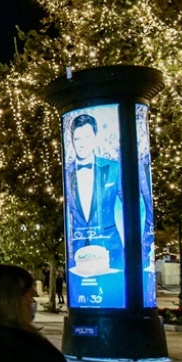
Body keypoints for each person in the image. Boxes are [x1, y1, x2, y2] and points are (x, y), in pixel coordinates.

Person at [65, 113, 124, 268]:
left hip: (110, 248)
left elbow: (134, 206)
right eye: (77, 139)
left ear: (96, 138)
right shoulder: (65, 174)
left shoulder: (114, 168)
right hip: (77, 251)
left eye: (87, 138)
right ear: (72, 141)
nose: (82, 144)